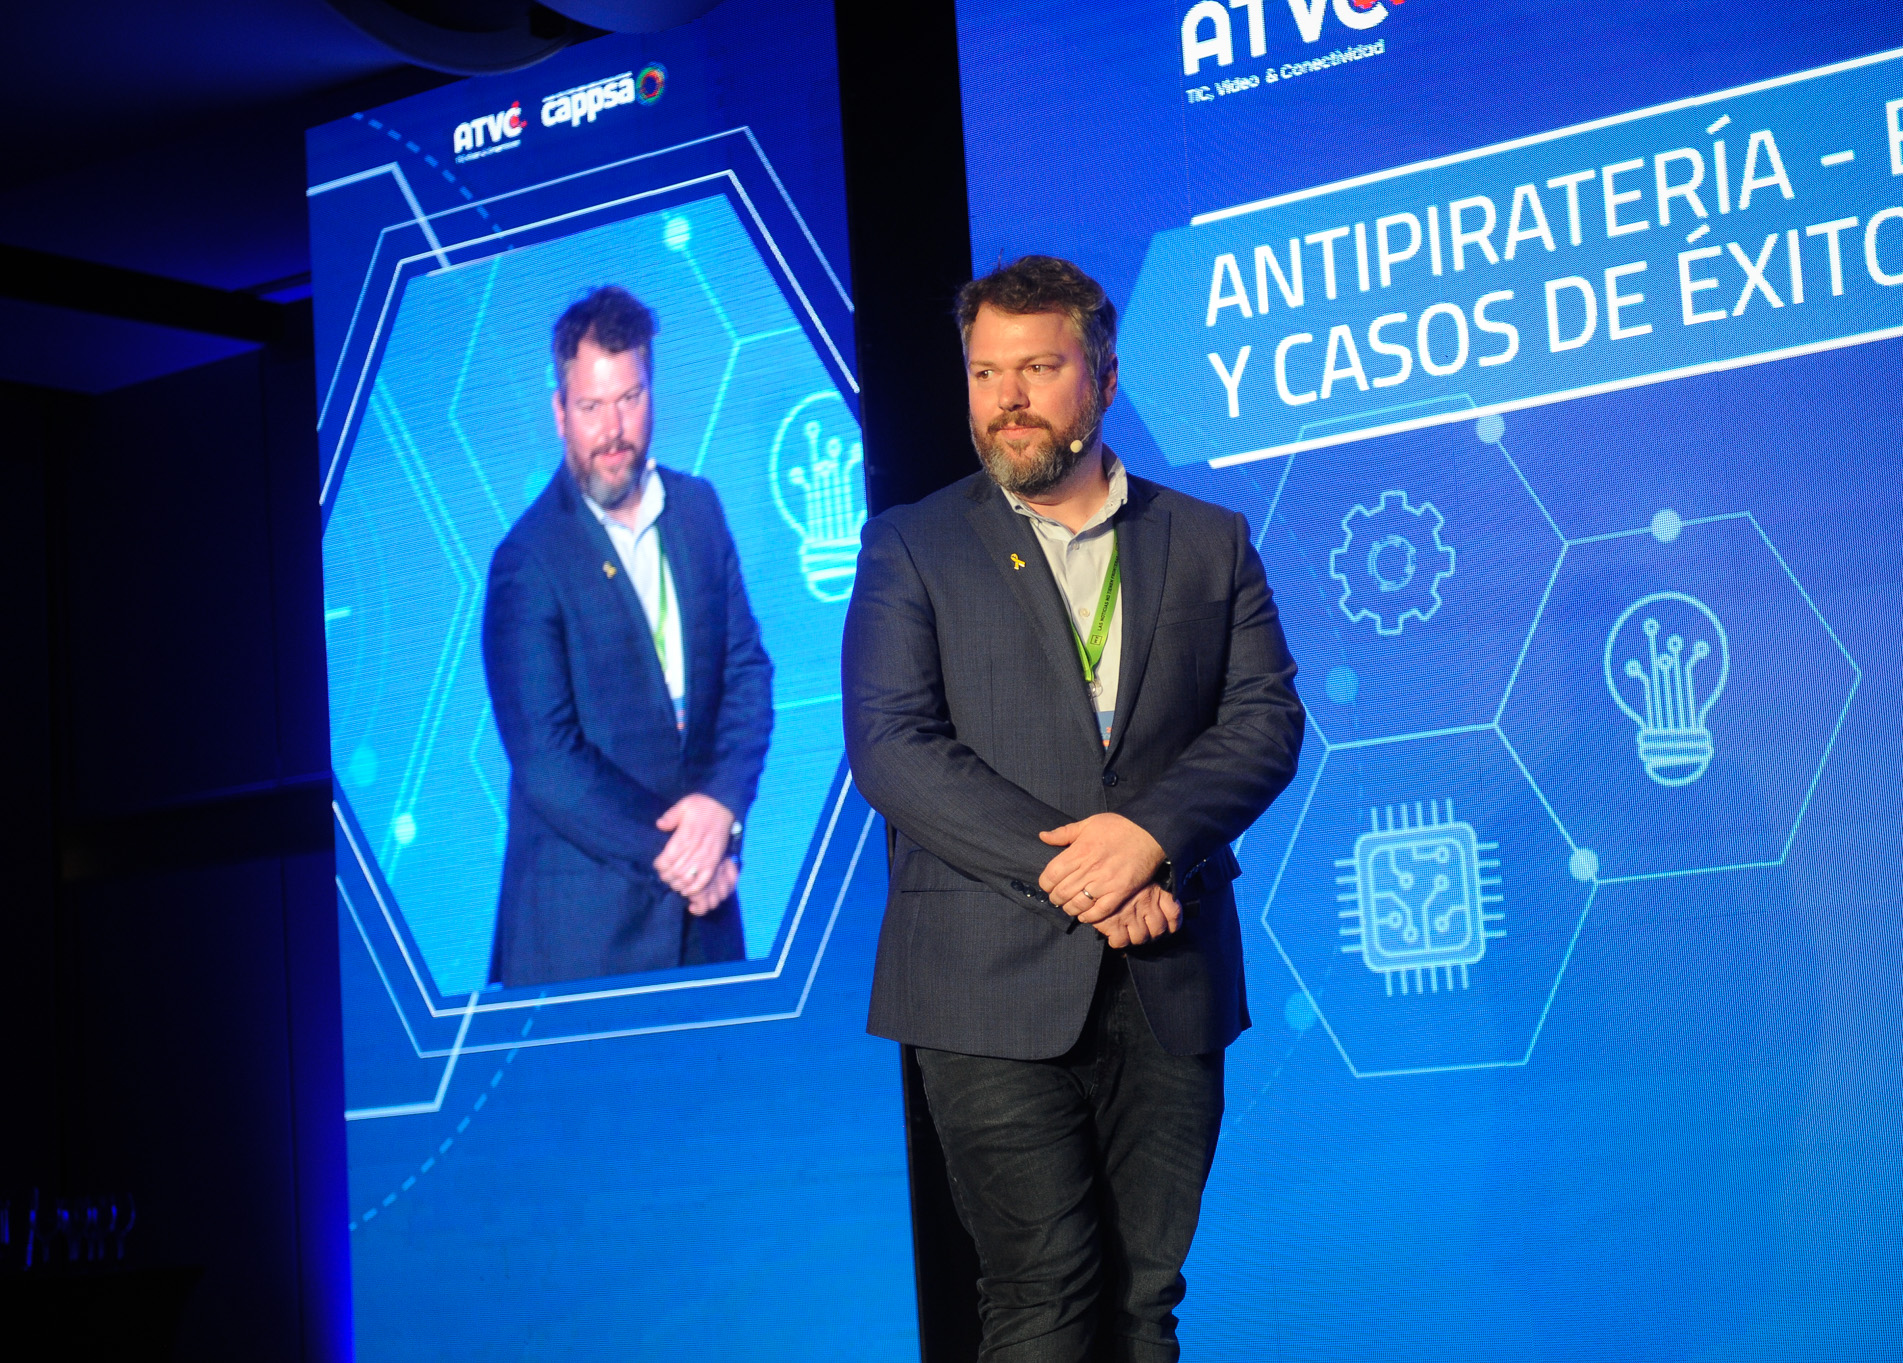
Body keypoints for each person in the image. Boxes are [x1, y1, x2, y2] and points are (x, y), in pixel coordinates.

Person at [842, 256, 1305, 1360]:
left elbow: (1264, 722)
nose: (1006, 398)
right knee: (1043, 1293)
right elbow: (893, 748)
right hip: (982, 983)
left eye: (1038, 369)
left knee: (1144, 1304)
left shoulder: (1208, 539)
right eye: (984, 372)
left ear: (1102, 377)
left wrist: (1148, 839)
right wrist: (1089, 875)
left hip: (1169, 976)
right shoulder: (910, 544)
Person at [482, 285, 773, 988]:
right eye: (591, 406)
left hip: (706, 928)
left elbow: (747, 675)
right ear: (560, 412)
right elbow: (549, 763)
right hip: (583, 944)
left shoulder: (698, 509)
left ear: (651, 393)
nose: (612, 429)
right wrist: (690, 854)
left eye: (629, 399)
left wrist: (722, 808)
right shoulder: (527, 561)